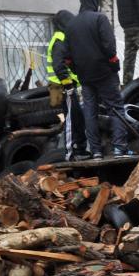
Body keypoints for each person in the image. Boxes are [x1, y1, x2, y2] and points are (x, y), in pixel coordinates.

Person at [62, 0, 129, 159]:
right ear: (94, 1)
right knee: (116, 109)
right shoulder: (100, 18)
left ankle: (96, 151)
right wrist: (114, 66)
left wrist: (77, 72)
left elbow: (67, 57)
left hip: (85, 77)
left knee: (89, 113)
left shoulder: (71, 25)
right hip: (104, 73)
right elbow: (109, 47)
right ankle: (119, 148)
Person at [47, 10, 90, 162]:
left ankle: (80, 150)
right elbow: (59, 66)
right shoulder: (59, 40)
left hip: (69, 86)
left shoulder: (65, 38)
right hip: (63, 87)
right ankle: (69, 154)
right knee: (71, 120)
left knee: (78, 118)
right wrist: (68, 84)